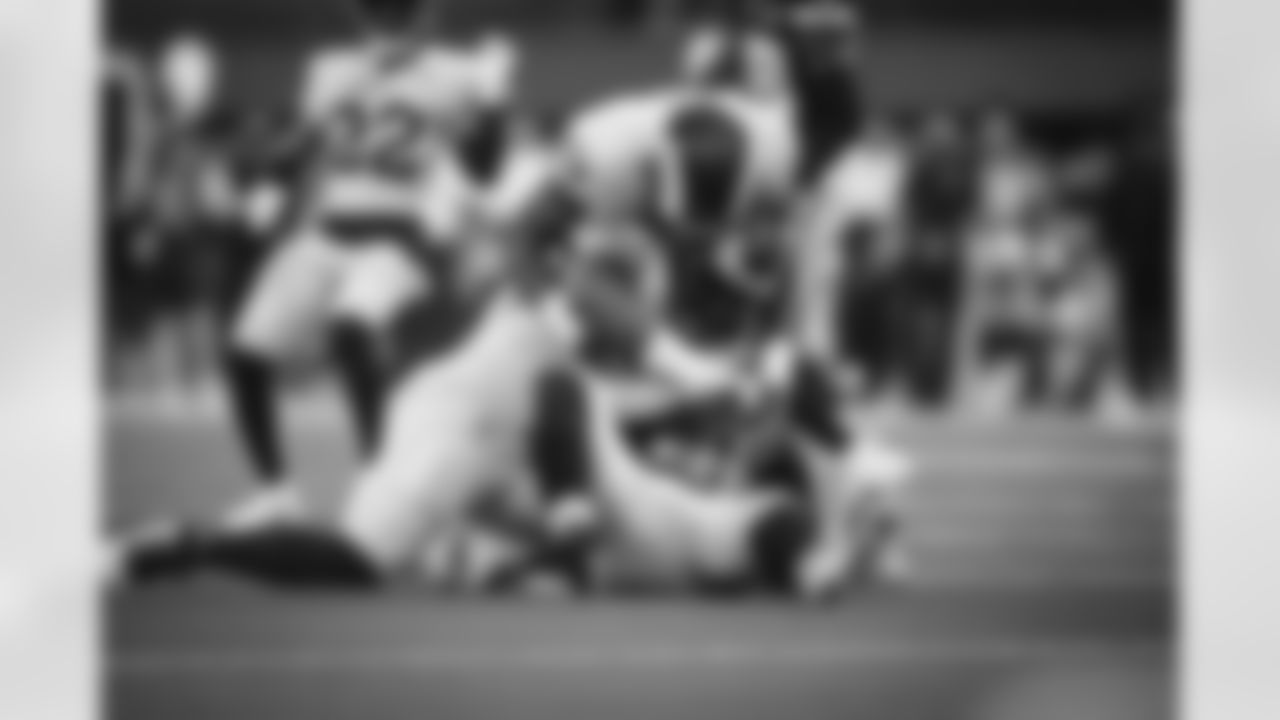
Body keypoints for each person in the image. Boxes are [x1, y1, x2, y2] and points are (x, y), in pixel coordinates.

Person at [220, 0, 522, 530]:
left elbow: (486, 171)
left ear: (426, 16)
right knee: (246, 351)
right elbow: (303, 148)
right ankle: (275, 493)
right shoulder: (330, 70)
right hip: (329, 232)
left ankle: (379, 484)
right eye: (379, 10)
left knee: (353, 329)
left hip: (401, 238)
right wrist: (267, 184)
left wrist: (495, 102)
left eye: (400, 11)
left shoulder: (455, 73)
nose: (388, 21)